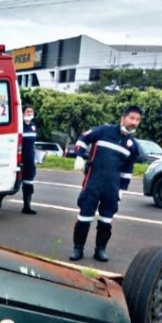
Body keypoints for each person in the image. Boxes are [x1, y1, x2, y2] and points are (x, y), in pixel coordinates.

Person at [68, 105, 143, 263]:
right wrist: (79, 156)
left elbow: (127, 170)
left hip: (112, 188)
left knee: (106, 220)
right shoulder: (104, 131)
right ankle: (78, 248)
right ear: (123, 118)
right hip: (93, 183)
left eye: (137, 120)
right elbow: (83, 139)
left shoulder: (132, 145)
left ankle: (100, 250)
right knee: (84, 217)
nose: (134, 122)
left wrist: (122, 189)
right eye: (131, 118)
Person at [19, 104, 38, 214]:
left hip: (30, 158)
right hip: (20, 158)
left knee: (29, 182)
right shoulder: (20, 126)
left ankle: (27, 207)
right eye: (27, 112)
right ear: (22, 113)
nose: (30, 114)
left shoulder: (33, 126)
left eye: (31, 112)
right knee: (14, 182)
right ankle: (0, 198)